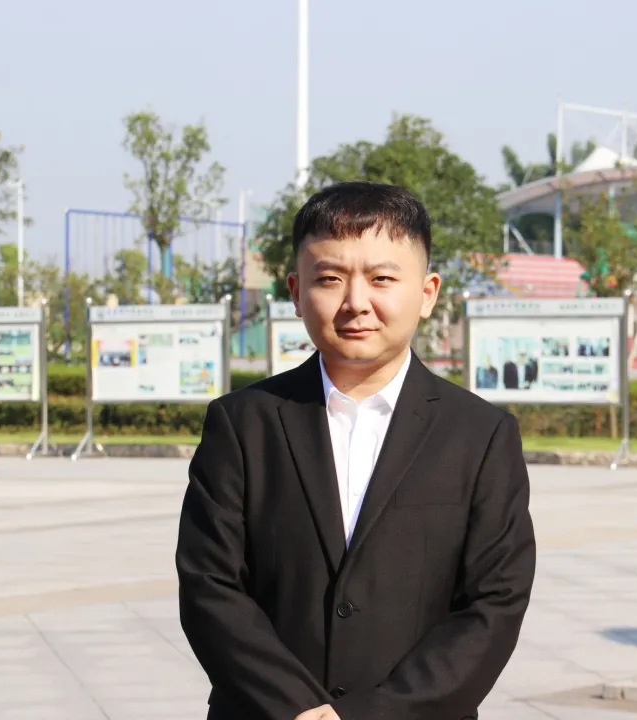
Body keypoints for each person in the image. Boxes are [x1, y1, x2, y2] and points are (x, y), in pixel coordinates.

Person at [176, 181, 537, 720]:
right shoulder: (242, 424)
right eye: (330, 279)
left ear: (428, 293)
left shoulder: (481, 435)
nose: (356, 302)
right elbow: (209, 586)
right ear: (296, 291)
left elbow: (494, 604)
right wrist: (297, 709)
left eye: (382, 278)